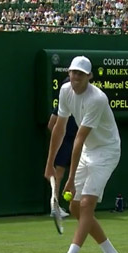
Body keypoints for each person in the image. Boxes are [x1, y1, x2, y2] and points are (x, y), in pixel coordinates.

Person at [44, 56, 125, 253]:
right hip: (89, 150)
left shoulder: (97, 99)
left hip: (107, 151)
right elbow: (59, 129)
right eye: (73, 72)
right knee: (76, 209)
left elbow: (78, 139)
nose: (76, 77)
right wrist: (50, 164)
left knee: (87, 204)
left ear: (89, 76)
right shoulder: (65, 90)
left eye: (81, 73)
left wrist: (69, 178)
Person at [47, 77, 77, 218]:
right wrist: (60, 137)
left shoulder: (83, 103)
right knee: (59, 174)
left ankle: (75, 206)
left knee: (79, 174)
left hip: (78, 141)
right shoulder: (61, 105)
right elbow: (51, 125)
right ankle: (55, 207)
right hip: (64, 142)